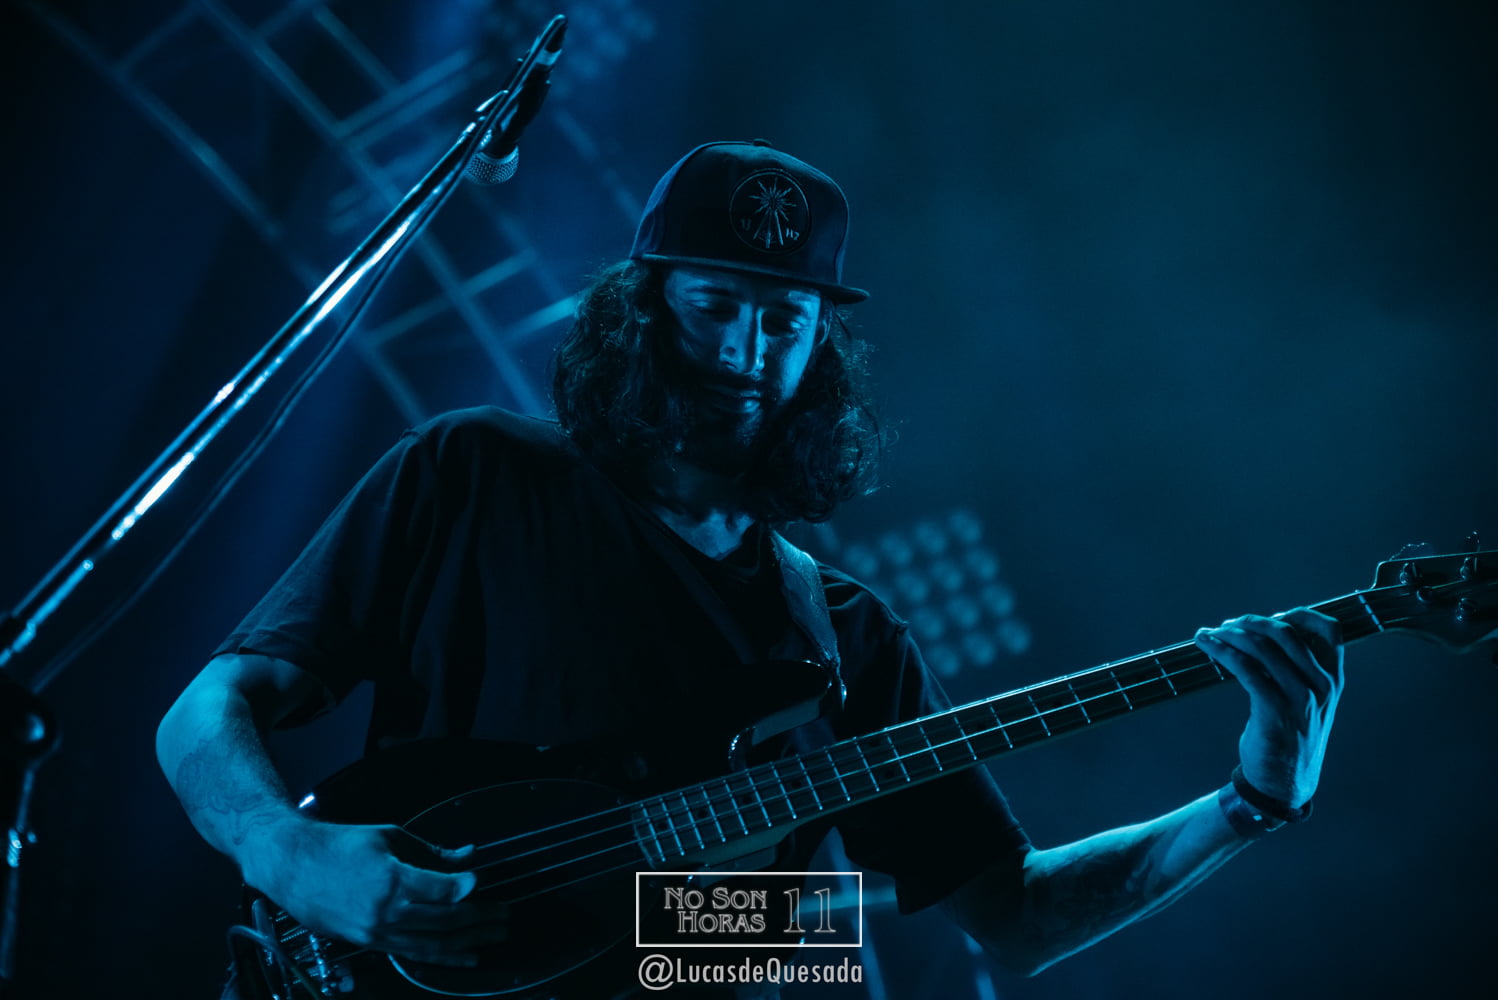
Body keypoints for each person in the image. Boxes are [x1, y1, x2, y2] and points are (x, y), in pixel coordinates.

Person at [156, 140, 1343, 994]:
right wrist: (288, 851)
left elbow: (1014, 914)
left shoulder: (843, 631)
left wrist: (1250, 801)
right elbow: (208, 707)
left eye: (786, 321)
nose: (746, 351)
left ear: (821, 345)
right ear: (641, 309)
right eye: (716, 304)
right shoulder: (474, 473)